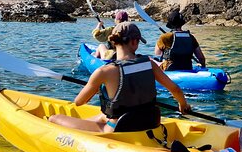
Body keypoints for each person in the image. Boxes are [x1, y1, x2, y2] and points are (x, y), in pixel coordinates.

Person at [49, 22, 191, 132]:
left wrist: (99, 88)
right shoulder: (149, 63)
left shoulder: (104, 72)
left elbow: (79, 102)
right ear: (135, 42)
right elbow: (176, 89)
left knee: (54, 118)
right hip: (150, 123)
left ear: (113, 42)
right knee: (103, 116)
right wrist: (183, 105)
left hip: (117, 128)